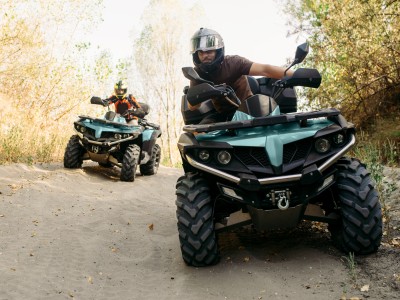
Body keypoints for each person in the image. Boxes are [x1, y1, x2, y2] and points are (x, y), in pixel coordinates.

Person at [188, 27, 294, 124]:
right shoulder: (197, 74)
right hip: (224, 115)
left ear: (218, 51)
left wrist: (297, 74)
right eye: (200, 52)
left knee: (282, 124)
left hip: (250, 108)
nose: (204, 56)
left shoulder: (234, 63)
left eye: (209, 51)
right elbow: (192, 107)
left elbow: (265, 69)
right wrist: (203, 93)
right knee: (198, 134)